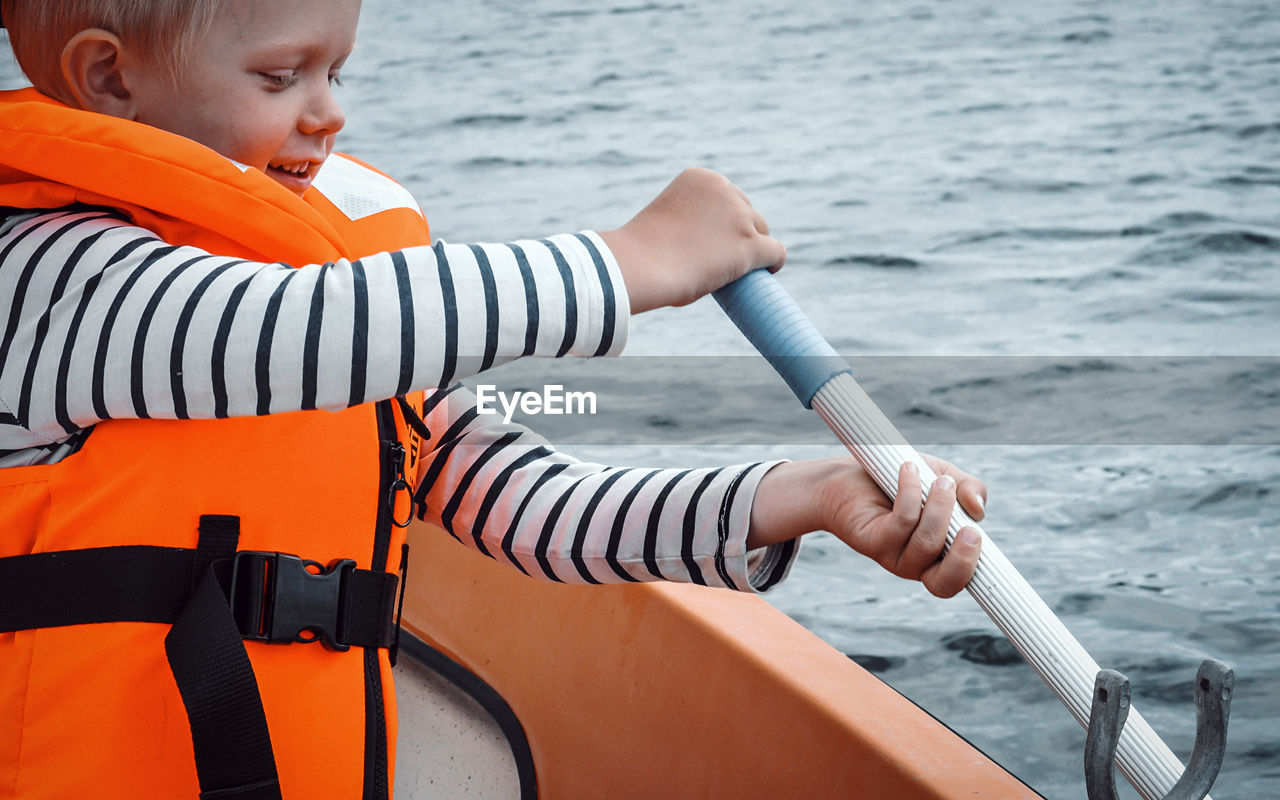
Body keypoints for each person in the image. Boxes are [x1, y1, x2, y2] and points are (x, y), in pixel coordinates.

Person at [0, 1, 985, 798]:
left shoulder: (322, 321)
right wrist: (627, 262)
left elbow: (527, 507)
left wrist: (796, 494)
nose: (326, 112)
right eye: (280, 76)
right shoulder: (47, 284)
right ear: (109, 77)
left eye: (336, 72)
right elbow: (313, 325)